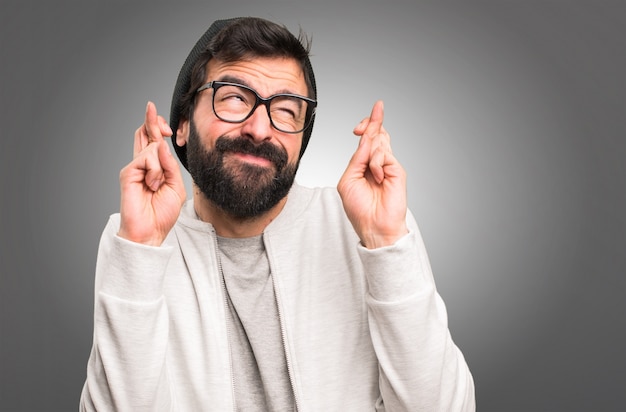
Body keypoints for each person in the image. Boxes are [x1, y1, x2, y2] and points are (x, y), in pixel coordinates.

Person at [79, 17, 475, 411]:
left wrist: (386, 242)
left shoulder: (364, 228)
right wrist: (140, 250)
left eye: (286, 110)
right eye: (234, 97)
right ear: (181, 125)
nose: (260, 128)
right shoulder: (136, 239)